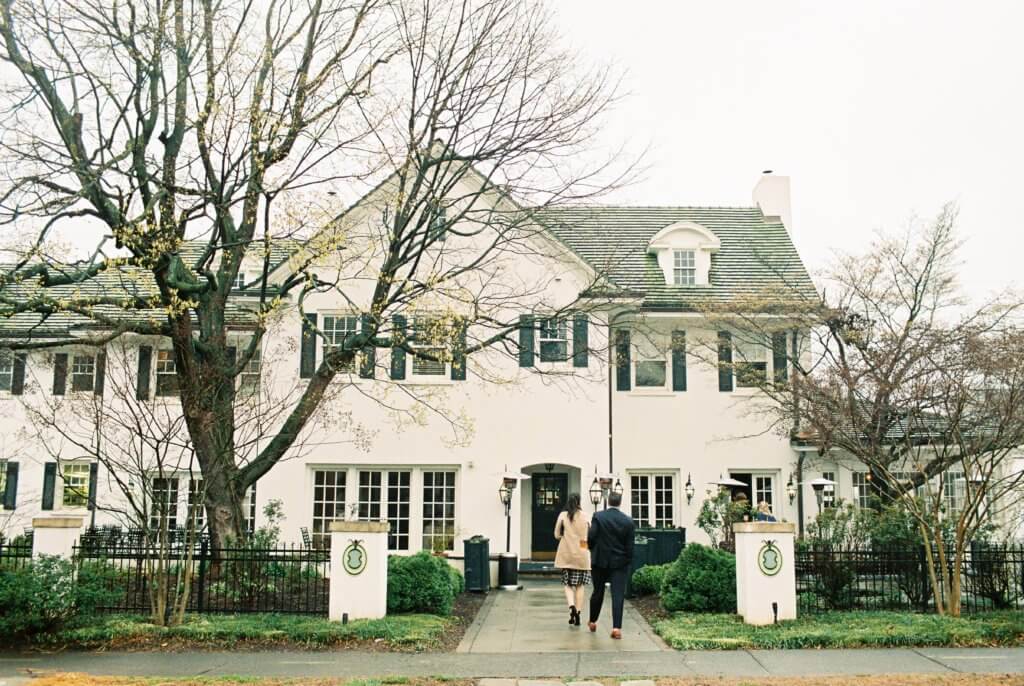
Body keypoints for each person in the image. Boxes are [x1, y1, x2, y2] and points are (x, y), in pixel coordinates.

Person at [586, 491, 635, 639]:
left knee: (597, 592)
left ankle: (593, 621)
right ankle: (616, 628)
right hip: (619, 563)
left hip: (600, 560)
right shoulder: (628, 521)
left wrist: (592, 549)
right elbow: (630, 547)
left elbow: (591, 536)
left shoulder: (598, 517)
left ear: (608, 501)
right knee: (618, 594)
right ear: (620, 502)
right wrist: (627, 561)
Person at [553, 493, 591, 627]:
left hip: (567, 554)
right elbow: (589, 535)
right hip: (582, 554)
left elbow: (557, 534)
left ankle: (571, 607)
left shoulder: (563, 515)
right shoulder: (586, 516)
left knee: (567, 584)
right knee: (580, 585)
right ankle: (579, 612)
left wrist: (566, 536)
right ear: (579, 502)